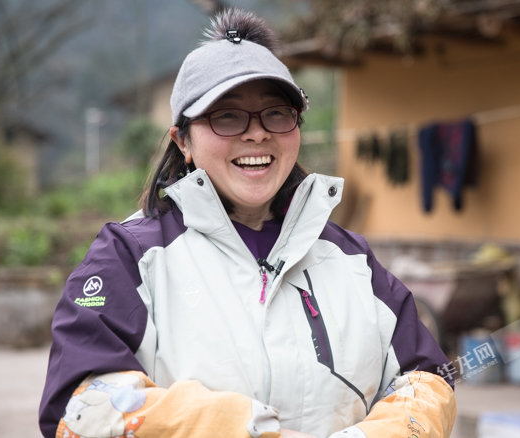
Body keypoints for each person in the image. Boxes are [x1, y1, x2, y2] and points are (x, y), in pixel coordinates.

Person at [39, 9, 456, 438]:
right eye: (227, 116)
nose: (257, 134)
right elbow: (82, 402)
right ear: (183, 140)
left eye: (276, 113)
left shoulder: (352, 260)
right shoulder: (131, 258)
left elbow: (429, 380)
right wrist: (243, 428)